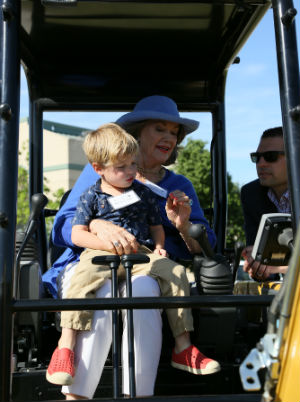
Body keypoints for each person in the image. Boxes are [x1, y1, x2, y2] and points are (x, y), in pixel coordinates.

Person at [43, 95, 218, 400]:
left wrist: (182, 225)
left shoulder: (180, 185)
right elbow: (64, 226)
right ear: (137, 133)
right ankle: (77, 395)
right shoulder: (102, 169)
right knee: (106, 291)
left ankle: (139, 394)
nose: (168, 137)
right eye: (159, 129)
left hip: (147, 265)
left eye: (174, 133)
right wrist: (99, 225)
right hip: (97, 261)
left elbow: (205, 246)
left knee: (145, 291)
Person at [241, 127, 289, 280]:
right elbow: (260, 262)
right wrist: (256, 265)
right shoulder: (251, 194)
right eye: (257, 157)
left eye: (271, 156)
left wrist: (277, 267)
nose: (261, 163)